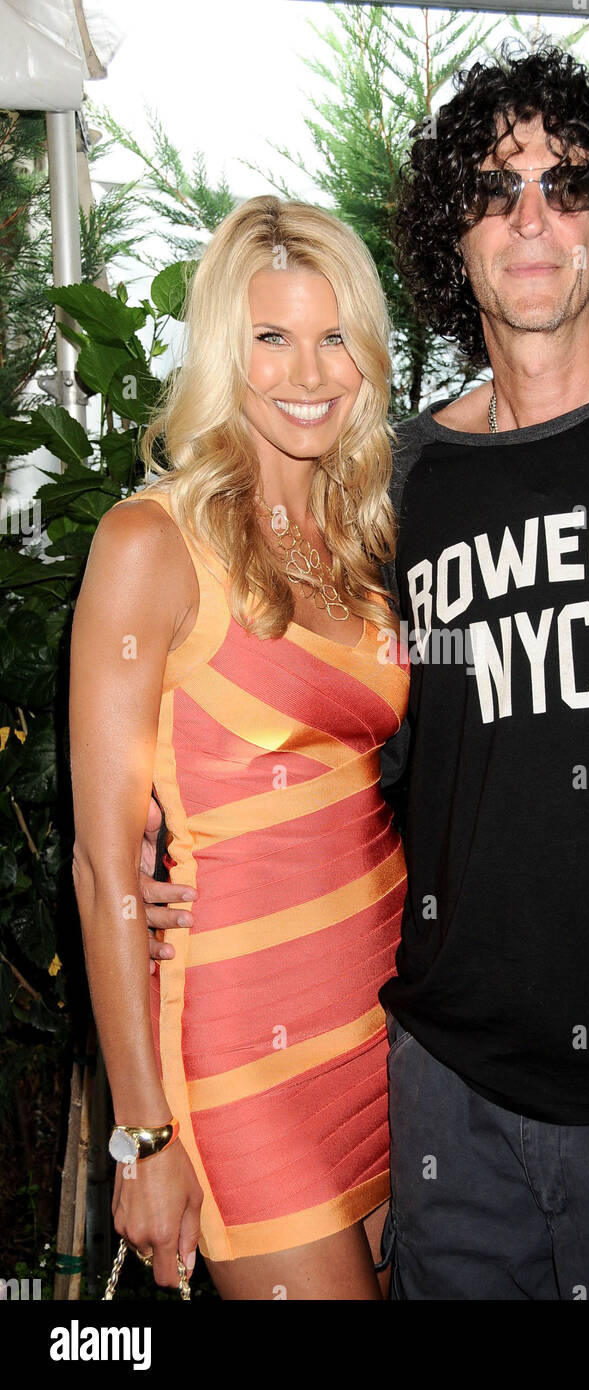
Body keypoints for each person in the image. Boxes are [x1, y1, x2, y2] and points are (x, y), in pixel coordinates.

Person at [143, 44, 589, 1300]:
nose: (531, 217)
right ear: (452, 233)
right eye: (493, 188)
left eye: (567, 184)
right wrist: (190, 879)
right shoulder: (401, 487)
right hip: (448, 1111)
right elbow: (350, 747)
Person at [71, 196, 409, 1300]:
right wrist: (142, 1135)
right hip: (241, 1064)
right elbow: (104, 862)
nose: (307, 371)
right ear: (226, 349)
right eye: (270, 336)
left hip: (383, 1029)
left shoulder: (363, 547)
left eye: (333, 337)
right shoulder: (149, 542)